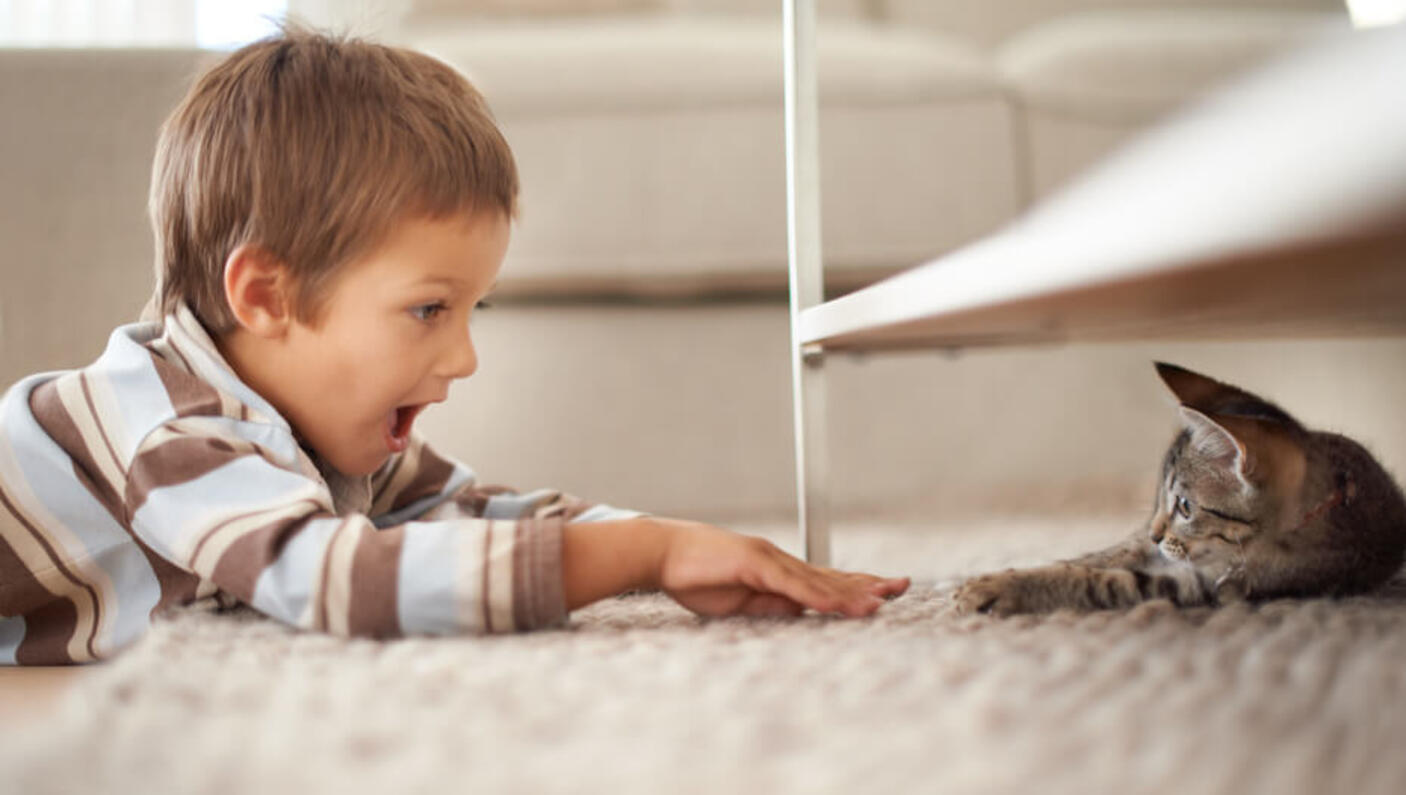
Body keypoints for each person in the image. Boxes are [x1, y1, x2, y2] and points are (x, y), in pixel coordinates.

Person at [0, 26, 907, 665]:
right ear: (266, 296)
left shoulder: (318, 435)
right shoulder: (171, 432)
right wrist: (643, 557)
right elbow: (333, 582)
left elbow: (473, 514)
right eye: (430, 310)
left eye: (475, 310)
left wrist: (668, 541)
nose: (465, 357)